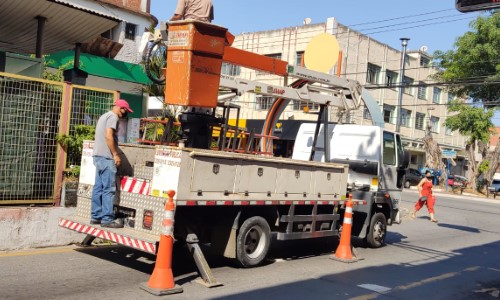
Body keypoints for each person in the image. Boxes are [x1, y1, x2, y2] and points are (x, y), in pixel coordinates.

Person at [91, 99, 133, 228]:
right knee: (108, 189)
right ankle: (107, 219)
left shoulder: (104, 116)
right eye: (125, 111)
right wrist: (115, 154)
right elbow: (109, 136)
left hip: (98, 156)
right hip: (106, 157)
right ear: (122, 109)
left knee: (98, 188)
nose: (125, 114)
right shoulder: (113, 117)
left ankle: (96, 217)